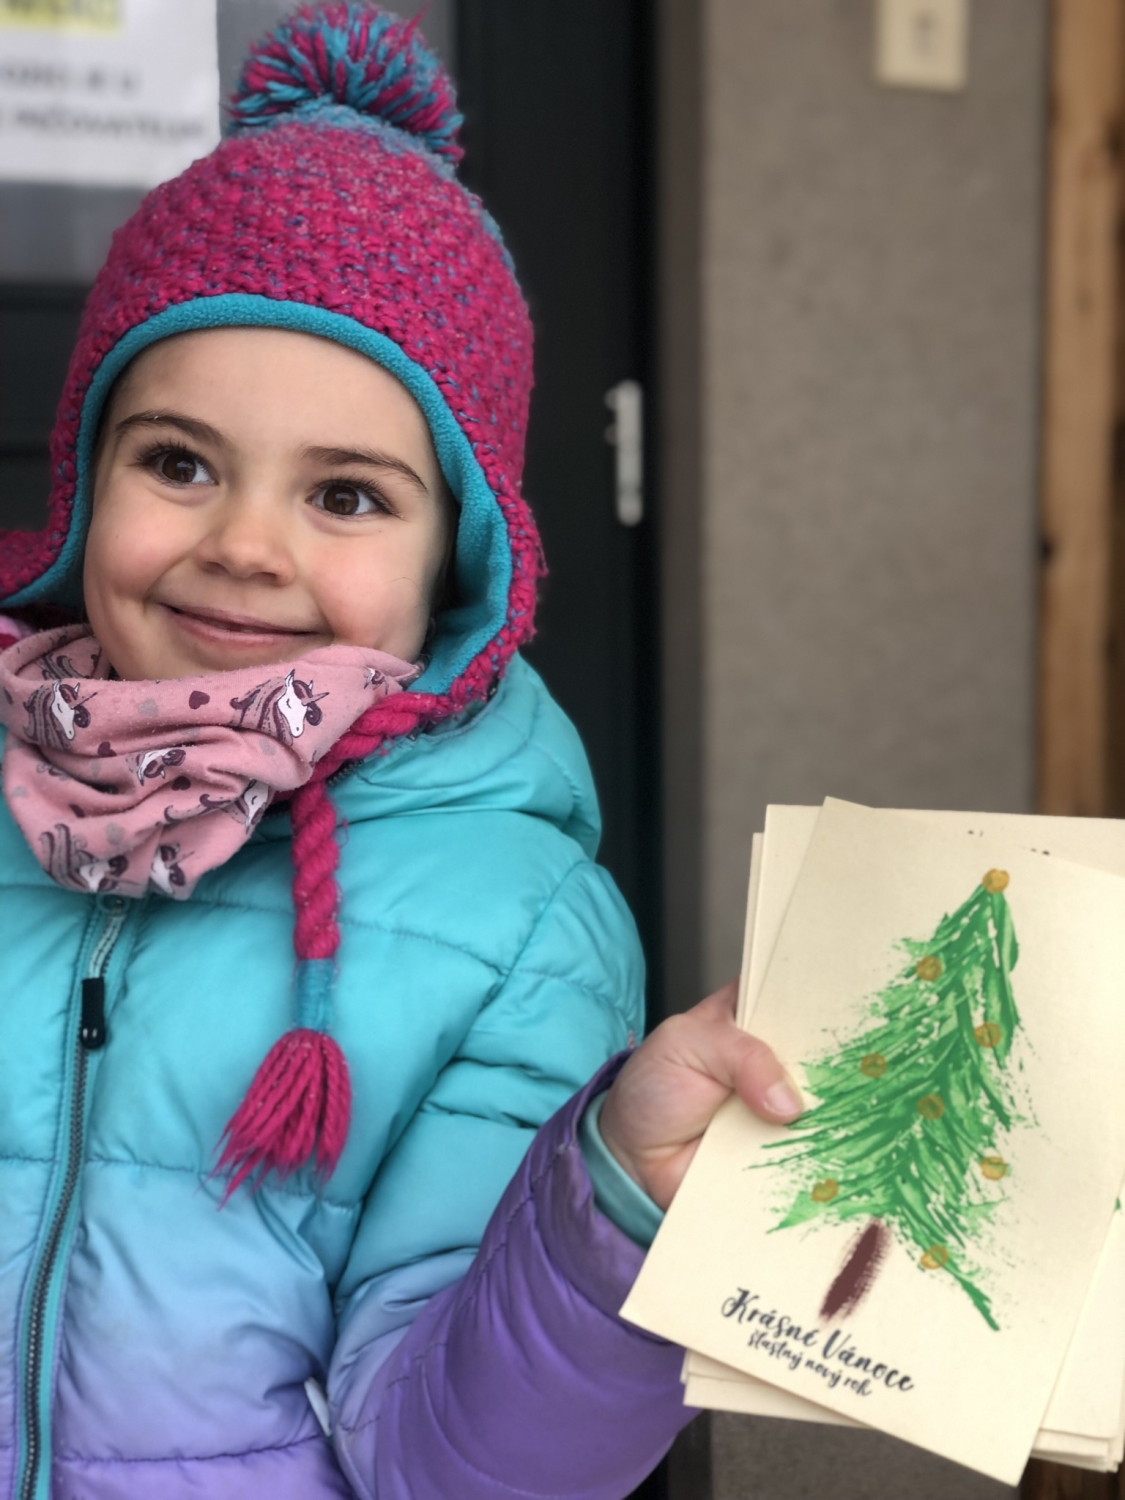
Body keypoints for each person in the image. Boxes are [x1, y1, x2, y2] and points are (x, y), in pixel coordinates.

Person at [0, 6, 801, 1498]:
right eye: (178, 462)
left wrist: (613, 1217)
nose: (246, 546)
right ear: (86, 480)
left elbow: (455, 1466)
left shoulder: (519, 927)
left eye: (348, 496)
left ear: (460, 562)